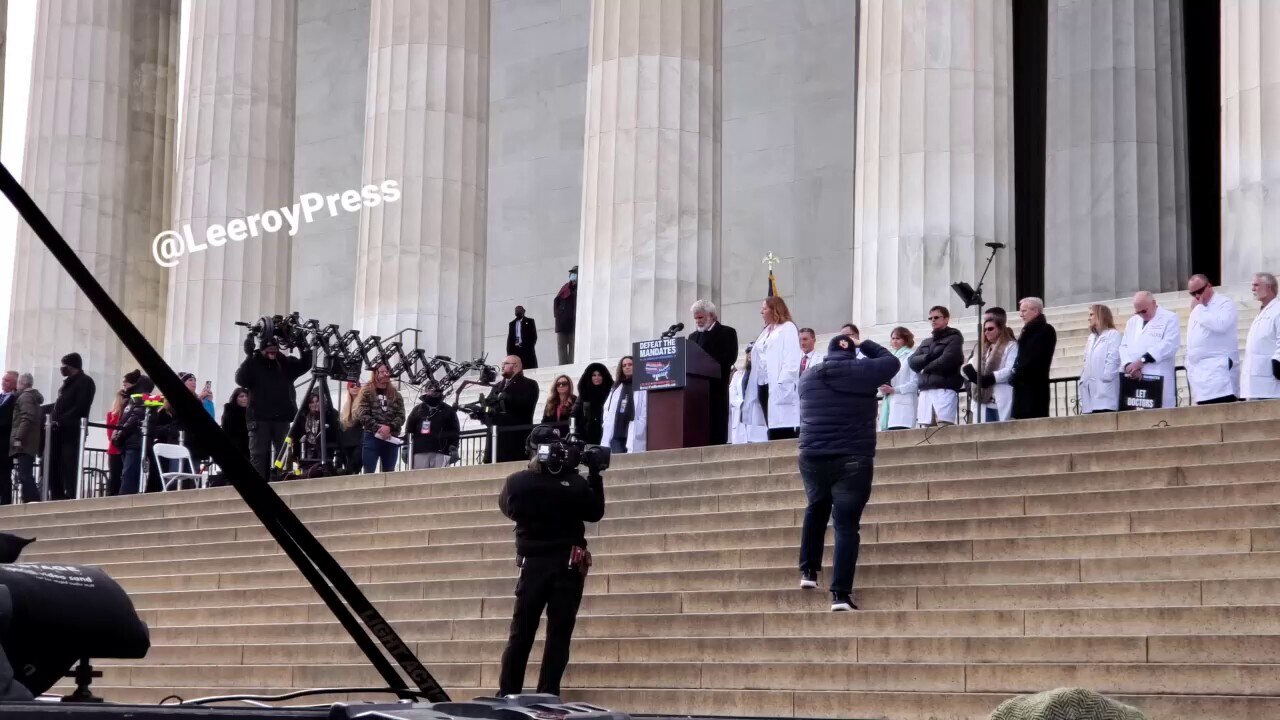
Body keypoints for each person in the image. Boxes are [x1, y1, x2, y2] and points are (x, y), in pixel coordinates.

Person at [497, 425, 605, 697]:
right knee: (555, 633)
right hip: (558, 564)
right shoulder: (571, 483)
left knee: (523, 632)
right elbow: (594, 512)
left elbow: (508, 508)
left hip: (543, 564)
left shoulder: (517, 482)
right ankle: (546, 692)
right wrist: (593, 474)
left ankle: (510, 692)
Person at [796, 334, 900, 611]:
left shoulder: (807, 376)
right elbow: (891, 361)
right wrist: (865, 343)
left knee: (815, 507)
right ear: (852, 354)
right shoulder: (861, 371)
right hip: (852, 456)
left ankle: (808, 572)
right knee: (845, 525)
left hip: (811, 454)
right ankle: (840, 595)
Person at [235, 334, 312, 479]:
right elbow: (241, 379)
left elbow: (305, 365)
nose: (272, 353)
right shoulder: (254, 363)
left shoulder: (283, 363)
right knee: (258, 455)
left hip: (281, 418)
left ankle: (282, 481)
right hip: (259, 418)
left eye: (274, 349)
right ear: (262, 350)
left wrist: (302, 345)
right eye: (269, 350)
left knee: (283, 455)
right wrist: (249, 355)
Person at [688, 299, 739, 446]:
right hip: (696, 387)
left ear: (711, 316)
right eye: (696, 318)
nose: (698, 321)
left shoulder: (727, 332)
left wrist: (706, 364)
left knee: (716, 420)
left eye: (700, 317)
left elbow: (730, 357)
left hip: (717, 384)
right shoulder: (693, 337)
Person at [1119, 291, 1181, 409]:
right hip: (1134, 377)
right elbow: (1123, 346)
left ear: (1153, 303)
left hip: (1157, 375)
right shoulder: (1132, 322)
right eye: (1138, 312)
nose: (1141, 315)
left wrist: (1142, 361)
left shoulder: (1169, 318)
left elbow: (1169, 345)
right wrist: (1129, 366)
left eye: (1144, 311)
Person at [1185, 274, 1241, 405]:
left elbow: (1220, 325)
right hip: (1200, 374)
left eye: (1199, 291)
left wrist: (1198, 309)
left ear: (1209, 286)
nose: (1197, 297)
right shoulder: (1197, 309)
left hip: (1219, 373)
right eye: (1193, 294)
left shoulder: (1224, 303)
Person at [753, 296, 803, 440]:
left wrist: (784, 381)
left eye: (764, 308)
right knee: (771, 423)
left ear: (774, 309)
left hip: (780, 383)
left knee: (782, 421)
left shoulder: (787, 328)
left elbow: (792, 356)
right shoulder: (766, 331)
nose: (761, 312)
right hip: (764, 382)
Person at [48, 352, 96, 500]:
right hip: (58, 431)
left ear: (72, 366)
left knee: (69, 465)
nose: (62, 368)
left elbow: (81, 406)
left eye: (64, 365)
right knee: (54, 464)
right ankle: (56, 494)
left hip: (72, 431)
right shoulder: (67, 383)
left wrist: (61, 419)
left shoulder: (85, 382)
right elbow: (60, 404)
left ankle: (71, 494)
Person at [908, 306, 965, 427]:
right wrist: (927, 358)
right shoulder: (926, 342)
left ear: (946, 319)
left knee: (944, 428)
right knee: (926, 429)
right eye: (931, 318)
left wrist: (925, 368)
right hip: (926, 391)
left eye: (936, 317)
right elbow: (912, 361)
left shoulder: (955, 338)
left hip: (944, 388)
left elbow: (948, 360)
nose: (933, 320)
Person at [963, 316, 1019, 422]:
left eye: (990, 329)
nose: (986, 332)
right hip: (982, 400)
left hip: (1000, 396)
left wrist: (990, 378)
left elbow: (1010, 370)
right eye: (984, 329)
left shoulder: (1011, 346)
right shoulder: (981, 348)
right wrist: (971, 375)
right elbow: (969, 366)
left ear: (1000, 329)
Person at [1009, 297, 1058, 419]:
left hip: (1034, 388)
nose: (1021, 315)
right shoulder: (1028, 330)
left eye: (1024, 311)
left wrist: (1017, 373)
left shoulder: (1045, 330)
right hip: (1022, 388)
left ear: (1036, 311)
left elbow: (1033, 359)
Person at [488, 355, 540, 463]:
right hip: (496, 442)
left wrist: (504, 398)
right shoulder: (497, 386)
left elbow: (523, 407)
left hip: (515, 440)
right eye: (502, 364)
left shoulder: (529, 384)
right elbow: (489, 406)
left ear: (516, 366)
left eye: (505, 364)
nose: (502, 366)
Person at [356, 365, 405, 474]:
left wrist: (389, 427)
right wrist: (378, 428)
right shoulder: (367, 392)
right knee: (369, 471)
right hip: (372, 436)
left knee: (389, 472)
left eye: (387, 372)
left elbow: (401, 416)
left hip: (390, 437)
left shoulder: (396, 395)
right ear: (376, 373)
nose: (385, 374)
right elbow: (363, 414)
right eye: (382, 372)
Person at [111, 376, 156, 496]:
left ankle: (124, 501)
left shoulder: (144, 399)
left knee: (129, 475)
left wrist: (119, 435)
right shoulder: (133, 399)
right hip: (129, 442)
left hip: (134, 442)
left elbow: (134, 418)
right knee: (129, 474)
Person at [104, 370, 142, 497]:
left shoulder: (126, 411)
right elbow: (111, 435)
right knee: (116, 477)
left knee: (122, 476)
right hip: (116, 448)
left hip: (121, 447)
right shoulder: (113, 414)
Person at [1242, 272, 1280, 401]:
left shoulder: (1278, 310)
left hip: (1270, 379)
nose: (1253, 289)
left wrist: (1278, 361)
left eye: (1256, 285)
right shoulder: (1262, 312)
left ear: (1269, 287)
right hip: (1256, 380)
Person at [1079, 304, 1123, 414]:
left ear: (1101, 315)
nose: (1089, 318)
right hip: (1090, 389)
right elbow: (1086, 360)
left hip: (1105, 389)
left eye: (1091, 314)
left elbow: (1113, 358)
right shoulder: (1091, 337)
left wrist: (1106, 377)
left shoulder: (1113, 334)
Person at [8, 373, 44, 504]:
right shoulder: (31, 397)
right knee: (24, 473)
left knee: (25, 474)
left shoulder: (25, 397)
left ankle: (33, 500)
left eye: (18, 383)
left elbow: (27, 417)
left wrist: (18, 438)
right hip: (29, 441)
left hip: (24, 442)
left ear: (22, 384)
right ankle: (28, 499)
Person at [404, 386, 460, 469]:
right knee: (420, 480)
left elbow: (455, 431)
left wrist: (454, 447)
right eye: (431, 391)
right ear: (426, 391)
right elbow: (409, 429)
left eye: (437, 391)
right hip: (419, 451)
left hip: (441, 451)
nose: (434, 393)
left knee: (440, 480)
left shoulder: (448, 410)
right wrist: (406, 446)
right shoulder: (417, 410)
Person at [601, 356, 646, 453]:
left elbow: (645, 408)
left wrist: (642, 423)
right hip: (617, 431)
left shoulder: (642, 386)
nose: (627, 367)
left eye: (630, 364)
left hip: (634, 429)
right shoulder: (617, 387)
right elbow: (606, 408)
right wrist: (606, 422)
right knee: (617, 460)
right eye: (624, 365)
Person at [288, 390, 341, 472]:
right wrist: (296, 454)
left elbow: (335, 433)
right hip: (305, 452)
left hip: (324, 452)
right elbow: (294, 435)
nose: (314, 404)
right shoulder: (302, 416)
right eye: (311, 402)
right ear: (307, 404)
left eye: (317, 401)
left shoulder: (330, 414)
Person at [878, 327, 919, 431]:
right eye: (893, 338)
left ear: (905, 340)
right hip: (890, 402)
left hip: (904, 405)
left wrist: (894, 390)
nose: (894, 341)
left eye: (898, 338)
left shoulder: (911, 356)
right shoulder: (889, 357)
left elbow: (915, 383)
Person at [727, 345, 768, 444]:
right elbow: (732, 393)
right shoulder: (738, 374)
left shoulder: (764, 373)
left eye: (753, 351)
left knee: (758, 444)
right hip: (741, 412)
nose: (750, 354)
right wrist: (741, 403)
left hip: (756, 412)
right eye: (748, 351)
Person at [573, 363, 613, 445]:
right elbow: (574, 415)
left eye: (599, 375)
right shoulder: (584, 395)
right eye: (594, 375)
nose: (597, 378)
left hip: (606, 433)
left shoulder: (612, 393)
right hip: (587, 436)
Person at [553, 266, 578, 365]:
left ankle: (572, 364)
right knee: (561, 346)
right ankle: (562, 366)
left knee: (573, 346)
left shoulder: (581, 288)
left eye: (575, 273)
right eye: (572, 273)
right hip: (562, 323)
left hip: (573, 323)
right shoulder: (565, 287)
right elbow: (556, 302)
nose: (573, 275)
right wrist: (557, 315)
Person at [338, 381, 364, 474]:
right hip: (348, 439)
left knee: (356, 458)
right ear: (348, 388)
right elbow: (344, 423)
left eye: (358, 385)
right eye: (352, 385)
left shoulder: (363, 402)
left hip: (359, 437)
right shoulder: (346, 406)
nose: (355, 387)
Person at [0, 371, 18, 503]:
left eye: (7, 380)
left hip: (5, 444)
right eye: (3, 379)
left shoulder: (16, 399)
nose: (3, 382)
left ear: (15, 384)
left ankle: (6, 503)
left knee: (4, 475)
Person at [220, 388, 251, 461]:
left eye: (246, 396)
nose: (244, 398)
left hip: (250, 446)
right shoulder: (230, 411)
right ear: (235, 398)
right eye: (241, 396)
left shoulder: (252, 412)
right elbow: (227, 429)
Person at [506, 306, 539, 370]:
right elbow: (510, 338)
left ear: (524, 311)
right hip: (515, 350)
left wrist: (530, 346)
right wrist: (509, 352)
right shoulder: (512, 324)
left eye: (519, 310)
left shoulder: (530, 321)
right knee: (517, 369)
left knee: (529, 368)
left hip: (527, 350)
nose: (518, 312)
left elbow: (534, 336)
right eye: (516, 311)